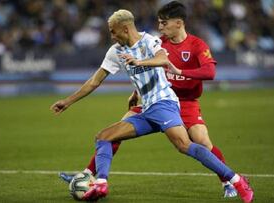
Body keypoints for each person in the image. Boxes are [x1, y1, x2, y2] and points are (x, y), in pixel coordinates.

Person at [51, 9, 253, 202]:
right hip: (147, 108)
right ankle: (100, 183)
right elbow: (94, 81)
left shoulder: (150, 41)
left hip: (164, 103)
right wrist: (67, 102)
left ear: (126, 29)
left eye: (113, 31)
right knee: (104, 137)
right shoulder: (115, 52)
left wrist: (139, 62)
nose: (111, 36)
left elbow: (163, 59)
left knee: (185, 145)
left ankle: (236, 181)